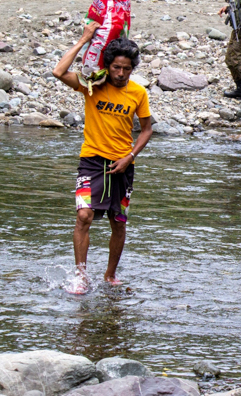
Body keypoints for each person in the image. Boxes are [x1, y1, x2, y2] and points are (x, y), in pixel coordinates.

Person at [52, 22, 153, 294]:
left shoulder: (138, 93)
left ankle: (110, 275)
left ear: (133, 69)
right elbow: (58, 71)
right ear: (108, 65)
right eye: (116, 67)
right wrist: (85, 39)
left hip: (122, 164)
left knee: (118, 221)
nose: (120, 74)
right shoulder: (91, 85)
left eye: (127, 69)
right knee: (84, 215)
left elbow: (146, 130)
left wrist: (129, 157)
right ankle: (81, 276)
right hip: (92, 161)